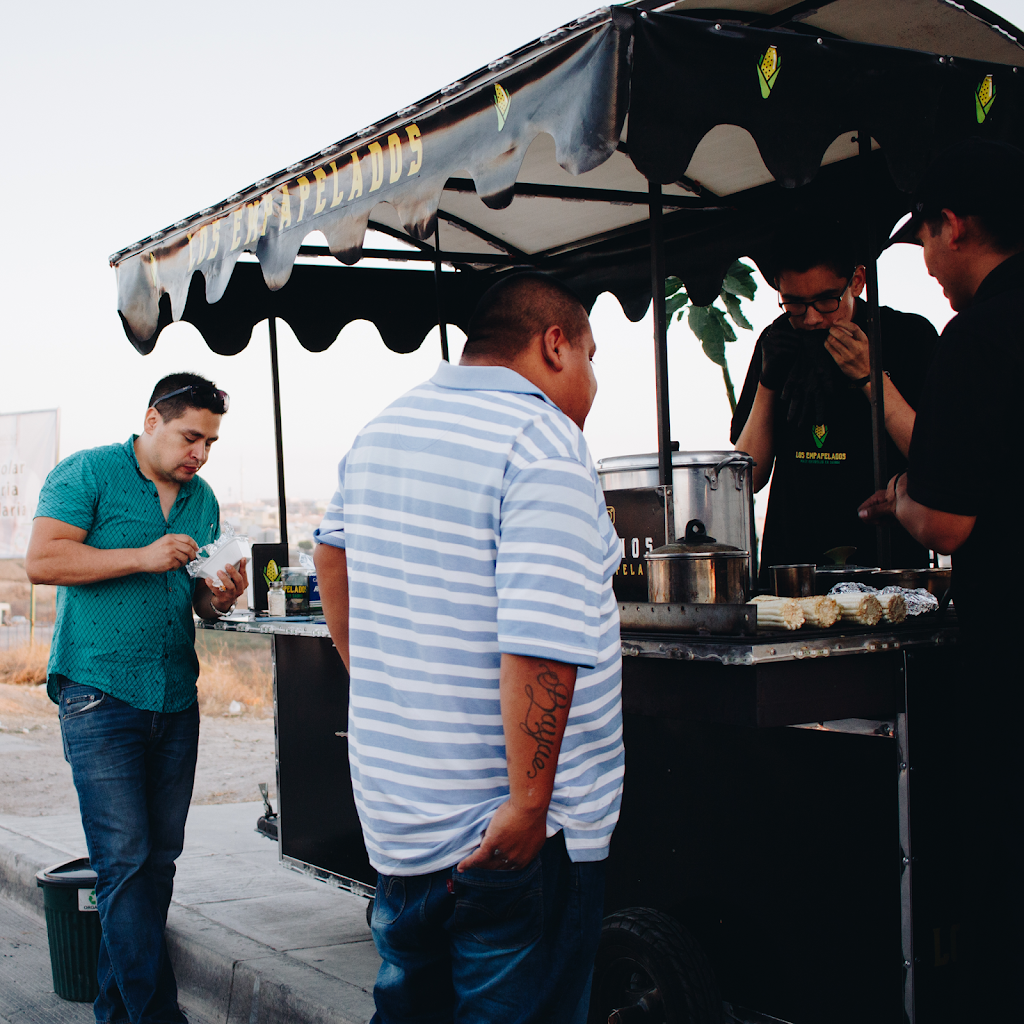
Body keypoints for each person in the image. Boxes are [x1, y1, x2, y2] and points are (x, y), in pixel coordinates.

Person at [314, 273, 624, 1024]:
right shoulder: (544, 441)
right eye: (590, 355)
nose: (591, 380)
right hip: (512, 838)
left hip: (401, 820)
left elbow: (331, 556)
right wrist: (527, 804)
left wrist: (390, 683)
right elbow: (542, 639)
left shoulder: (382, 430)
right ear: (555, 344)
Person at [858, 139, 1024, 1018]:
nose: (926, 267)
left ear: (951, 227)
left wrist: (902, 505)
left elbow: (952, 519)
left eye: (923, 241)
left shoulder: (978, 335)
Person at [25, 373, 247, 1024]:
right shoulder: (87, 473)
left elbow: (200, 601)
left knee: (156, 864)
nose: (200, 453)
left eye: (210, 442)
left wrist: (220, 595)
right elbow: (43, 561)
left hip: (177, 695)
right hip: (99, 691)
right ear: (153, 420)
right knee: (122, 863)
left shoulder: (201, 498)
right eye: (190, 436)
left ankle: (119, 1015)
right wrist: (142, 556)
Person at [731, 225, 938, 579]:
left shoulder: (908, 336)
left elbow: (935, 459)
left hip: (888, 565)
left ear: (857, 281)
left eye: (827, 300)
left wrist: (870, 377)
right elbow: (749, 477)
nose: (811, 318)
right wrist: (768, 384)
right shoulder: (778, 340)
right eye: (794, 303)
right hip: (793, 569)